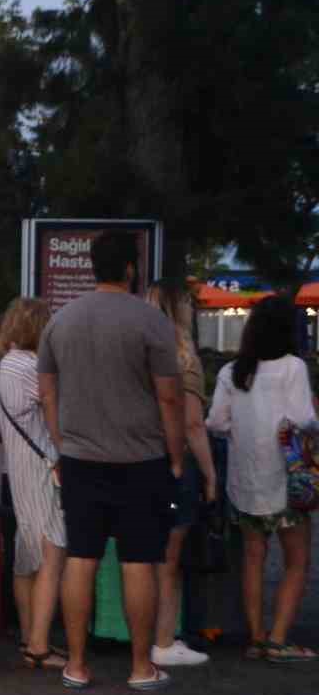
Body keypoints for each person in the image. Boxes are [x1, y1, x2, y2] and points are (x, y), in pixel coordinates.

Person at [40, 230, 184, 691]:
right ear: (130, 268)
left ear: (91, 266)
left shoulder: (60, 322)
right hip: (142, 459)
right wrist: (176, 457)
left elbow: (47, 392)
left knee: (81, 558)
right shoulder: (151, 322)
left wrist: (63, 442)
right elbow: (169, 398)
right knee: (139, 561)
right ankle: (141, 667)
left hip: (81, 458)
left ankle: (77, 665)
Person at [206, 294, 319, 664]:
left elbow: (217, 424)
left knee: (253, 558)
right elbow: (303, 419)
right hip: (287, 481)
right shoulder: (292, 368)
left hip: (244, 481)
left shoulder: (231, 372)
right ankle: (279, 638)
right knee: (297, 560)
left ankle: (255, 638)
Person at [0, 299, 69, 670]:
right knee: (53, 554)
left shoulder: (6, 365)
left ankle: (28, 636)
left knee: (26, 559)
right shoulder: (31, 366)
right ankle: (39, 644)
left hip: (20, 469)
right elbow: (61, 404)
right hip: (43, 469)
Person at [145, 281, 217, 667]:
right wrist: (210, 475)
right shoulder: (182, 358)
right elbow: (192, 424)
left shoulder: (139, 351)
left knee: (143, 557)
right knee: (169, 562)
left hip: (139, 460)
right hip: (174, 462)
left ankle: (146, 642)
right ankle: (163, 640)